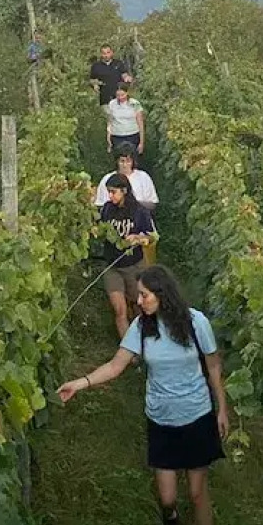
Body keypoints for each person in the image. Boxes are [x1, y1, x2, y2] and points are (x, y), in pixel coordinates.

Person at [58, 265, 229, 525]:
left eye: (144, 295)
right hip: (161, 419)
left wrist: (222, 409)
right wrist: (81, 383)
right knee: (167, 498)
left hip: (197, 415)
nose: (139, 302)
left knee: (199, 493)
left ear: (162, 295)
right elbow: (115, 365)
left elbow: (213, 366)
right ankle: (171, 517)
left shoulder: (195, 322)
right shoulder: (141, 328)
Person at [96, 172, 155, 336]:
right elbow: (100, 229)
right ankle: (129, 352)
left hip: (134, 266)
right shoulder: (107, 209)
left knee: (140, 307)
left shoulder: (140, 212)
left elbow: (152, 237)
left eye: (113, 192)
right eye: (109, 192)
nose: (110, 196)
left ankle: (145, 341)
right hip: (112, 266)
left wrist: (138, 238)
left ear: (124, 191)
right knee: (120, 311)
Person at [94, 144, 158, 211]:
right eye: (122, 161)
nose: (125, 165)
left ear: (133, 161)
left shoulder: (143, 177)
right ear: (117, 161)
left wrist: (133, 204)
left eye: (128, 161)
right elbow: (100, 205)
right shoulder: (107, 179)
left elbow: (153, 204)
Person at [105, 83, 145, 156]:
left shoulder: (135, 104)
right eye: (118, 95)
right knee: (119, 158)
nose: (120, 98)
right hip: (117, 136)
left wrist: (141, 142)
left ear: (127, 93)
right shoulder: (112, 104)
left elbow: (140, 123)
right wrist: (108, 138)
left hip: (132, 136)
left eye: (122, 95)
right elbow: (110, 122)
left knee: (132, 158)